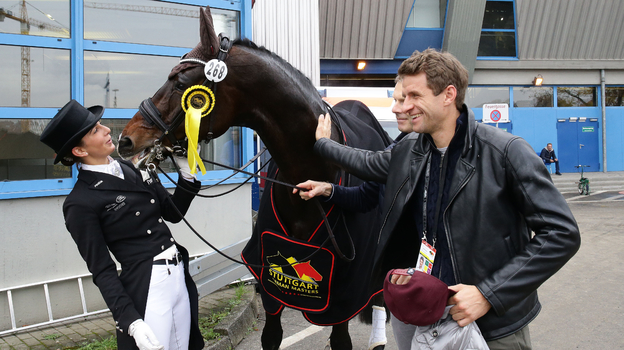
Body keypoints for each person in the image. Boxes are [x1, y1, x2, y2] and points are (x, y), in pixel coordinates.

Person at [309, 49, 581, 350]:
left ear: (448, 94)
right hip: (429, 313)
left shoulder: (506, 153)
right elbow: (365, 163)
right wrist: (323, 146)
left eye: (415, 95)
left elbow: (562, 234)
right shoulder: (410, 149)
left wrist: (488, 293)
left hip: (493, 325)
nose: (404, 105)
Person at [39, 100, 205, 350]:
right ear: (80, 151)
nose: (106, 130)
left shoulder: (130, 167)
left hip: (177, 276)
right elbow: (102, 269)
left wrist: (187, 174)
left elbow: (173, 213)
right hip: (148, 285)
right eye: (95, 130)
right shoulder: (80, 202)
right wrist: (130, 320)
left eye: (100, 125)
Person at [295, 79, 413, 350]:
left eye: (404, 99)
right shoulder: (398, 147)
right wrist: (328, 190)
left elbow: (368, 163)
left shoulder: (422, 150)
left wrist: (324, 144)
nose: (395, 109)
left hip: (440, 281)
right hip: (405, 278)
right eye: (394, 100)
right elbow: (365, 197)